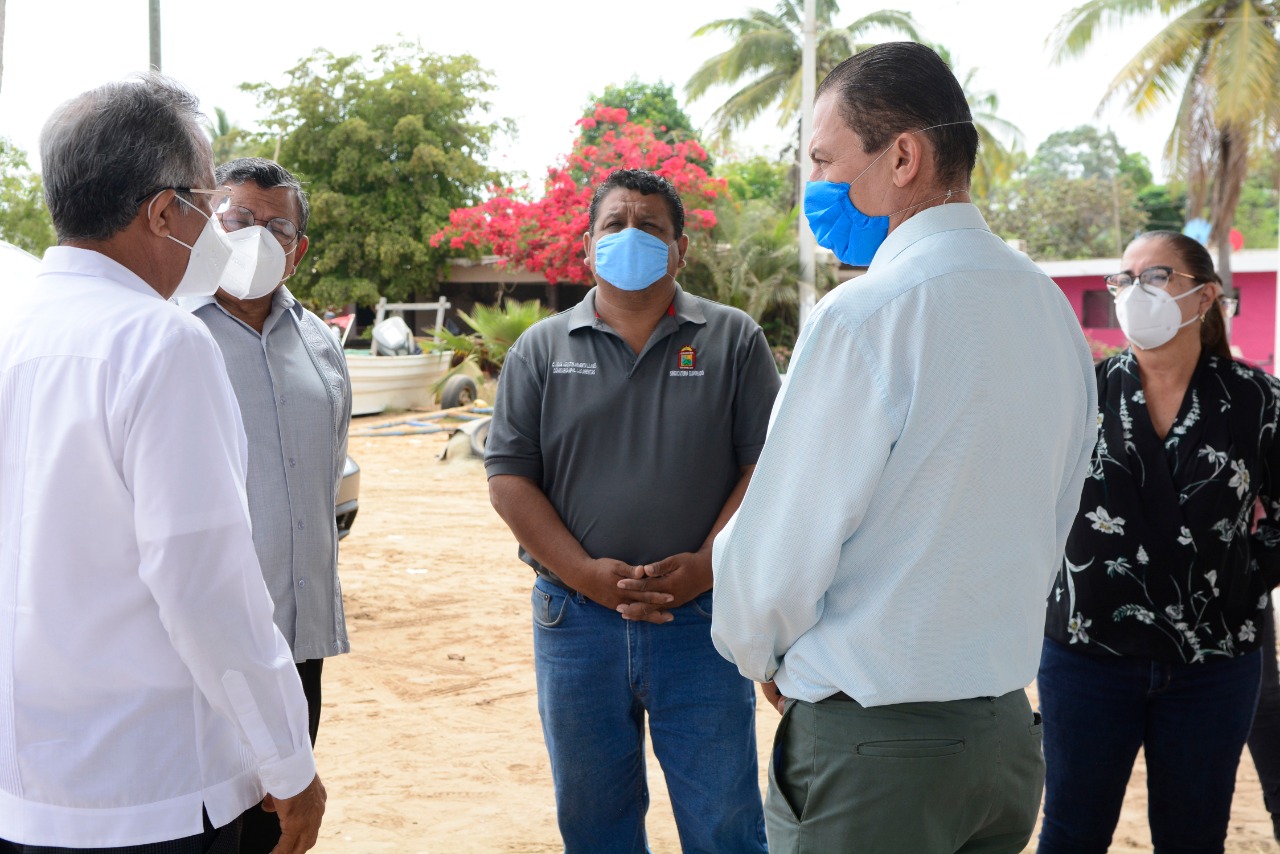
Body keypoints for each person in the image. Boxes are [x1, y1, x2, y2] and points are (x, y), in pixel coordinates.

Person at [710, 42, 1098, 853]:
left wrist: (762, 657)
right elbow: (1057, 514)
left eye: (824, 160)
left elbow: (779, 547)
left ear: (904, 157)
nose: (815, 186)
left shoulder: (866, 316)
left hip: (875, 750)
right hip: (1001, 742)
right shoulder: (1049, 311)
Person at [0, 75, 324, 852]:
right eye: (208, 199)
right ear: (162, 212)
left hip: (26, 783)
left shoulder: (15, 325)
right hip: (152, 786)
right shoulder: (161, 341)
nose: (216, 226)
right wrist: (289, 762)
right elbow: (206, 586)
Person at [485, 168, 778, 853]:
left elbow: (766, 469)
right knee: (595, 822)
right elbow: (509, 480)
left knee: (725, 822)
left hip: (701, 620)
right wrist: (585, 574)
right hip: (575, 620)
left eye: (650, 226)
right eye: (614, 224)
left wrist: (706, 566)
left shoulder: (734, 340)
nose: (631, 235)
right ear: (588, 246)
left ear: (681, 249)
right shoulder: (540, 349)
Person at [1038, 230, 1280, 853]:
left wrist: (1243, 578)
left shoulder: (1257, 401)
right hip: (1087, 654)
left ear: (1205, 297)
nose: (1133, 292)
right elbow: (1030, 507)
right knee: (1070, 832)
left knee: (1194, 838)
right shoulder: (1079, 393)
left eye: (1155, 276)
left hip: (1213, 662)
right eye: (1125, 279)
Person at [181, 157, 351, 853]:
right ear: (205, 228)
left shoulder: (320, 344)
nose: (257, 236)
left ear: (298, 250)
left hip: (296, 648)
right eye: (238, 219)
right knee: (206, 830)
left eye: (277, 226)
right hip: (201, 655)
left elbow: (325, 475)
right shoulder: (170, 333)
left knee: (278, 832)